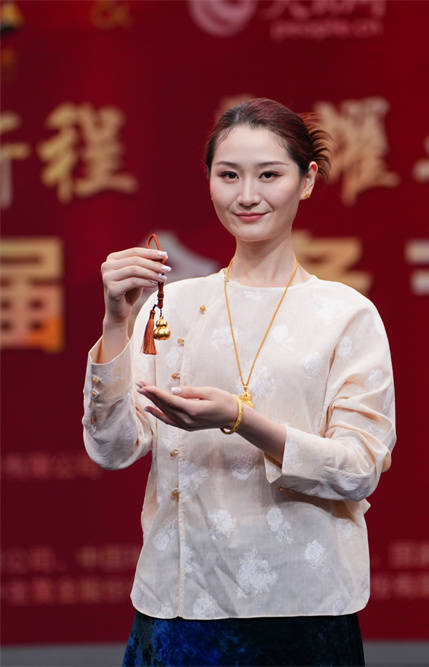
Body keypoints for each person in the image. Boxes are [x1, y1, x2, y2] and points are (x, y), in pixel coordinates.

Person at [82, 98, 396, 667]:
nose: (247, 195)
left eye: (269, 175)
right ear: (209, 182)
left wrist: (240, 420)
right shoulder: (171, 306)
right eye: (228, 175)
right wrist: (115, 321)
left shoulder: (346, 314)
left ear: (307, 181)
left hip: (302, 607)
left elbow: (359, 469)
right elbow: (112, 448)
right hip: (179, 605)